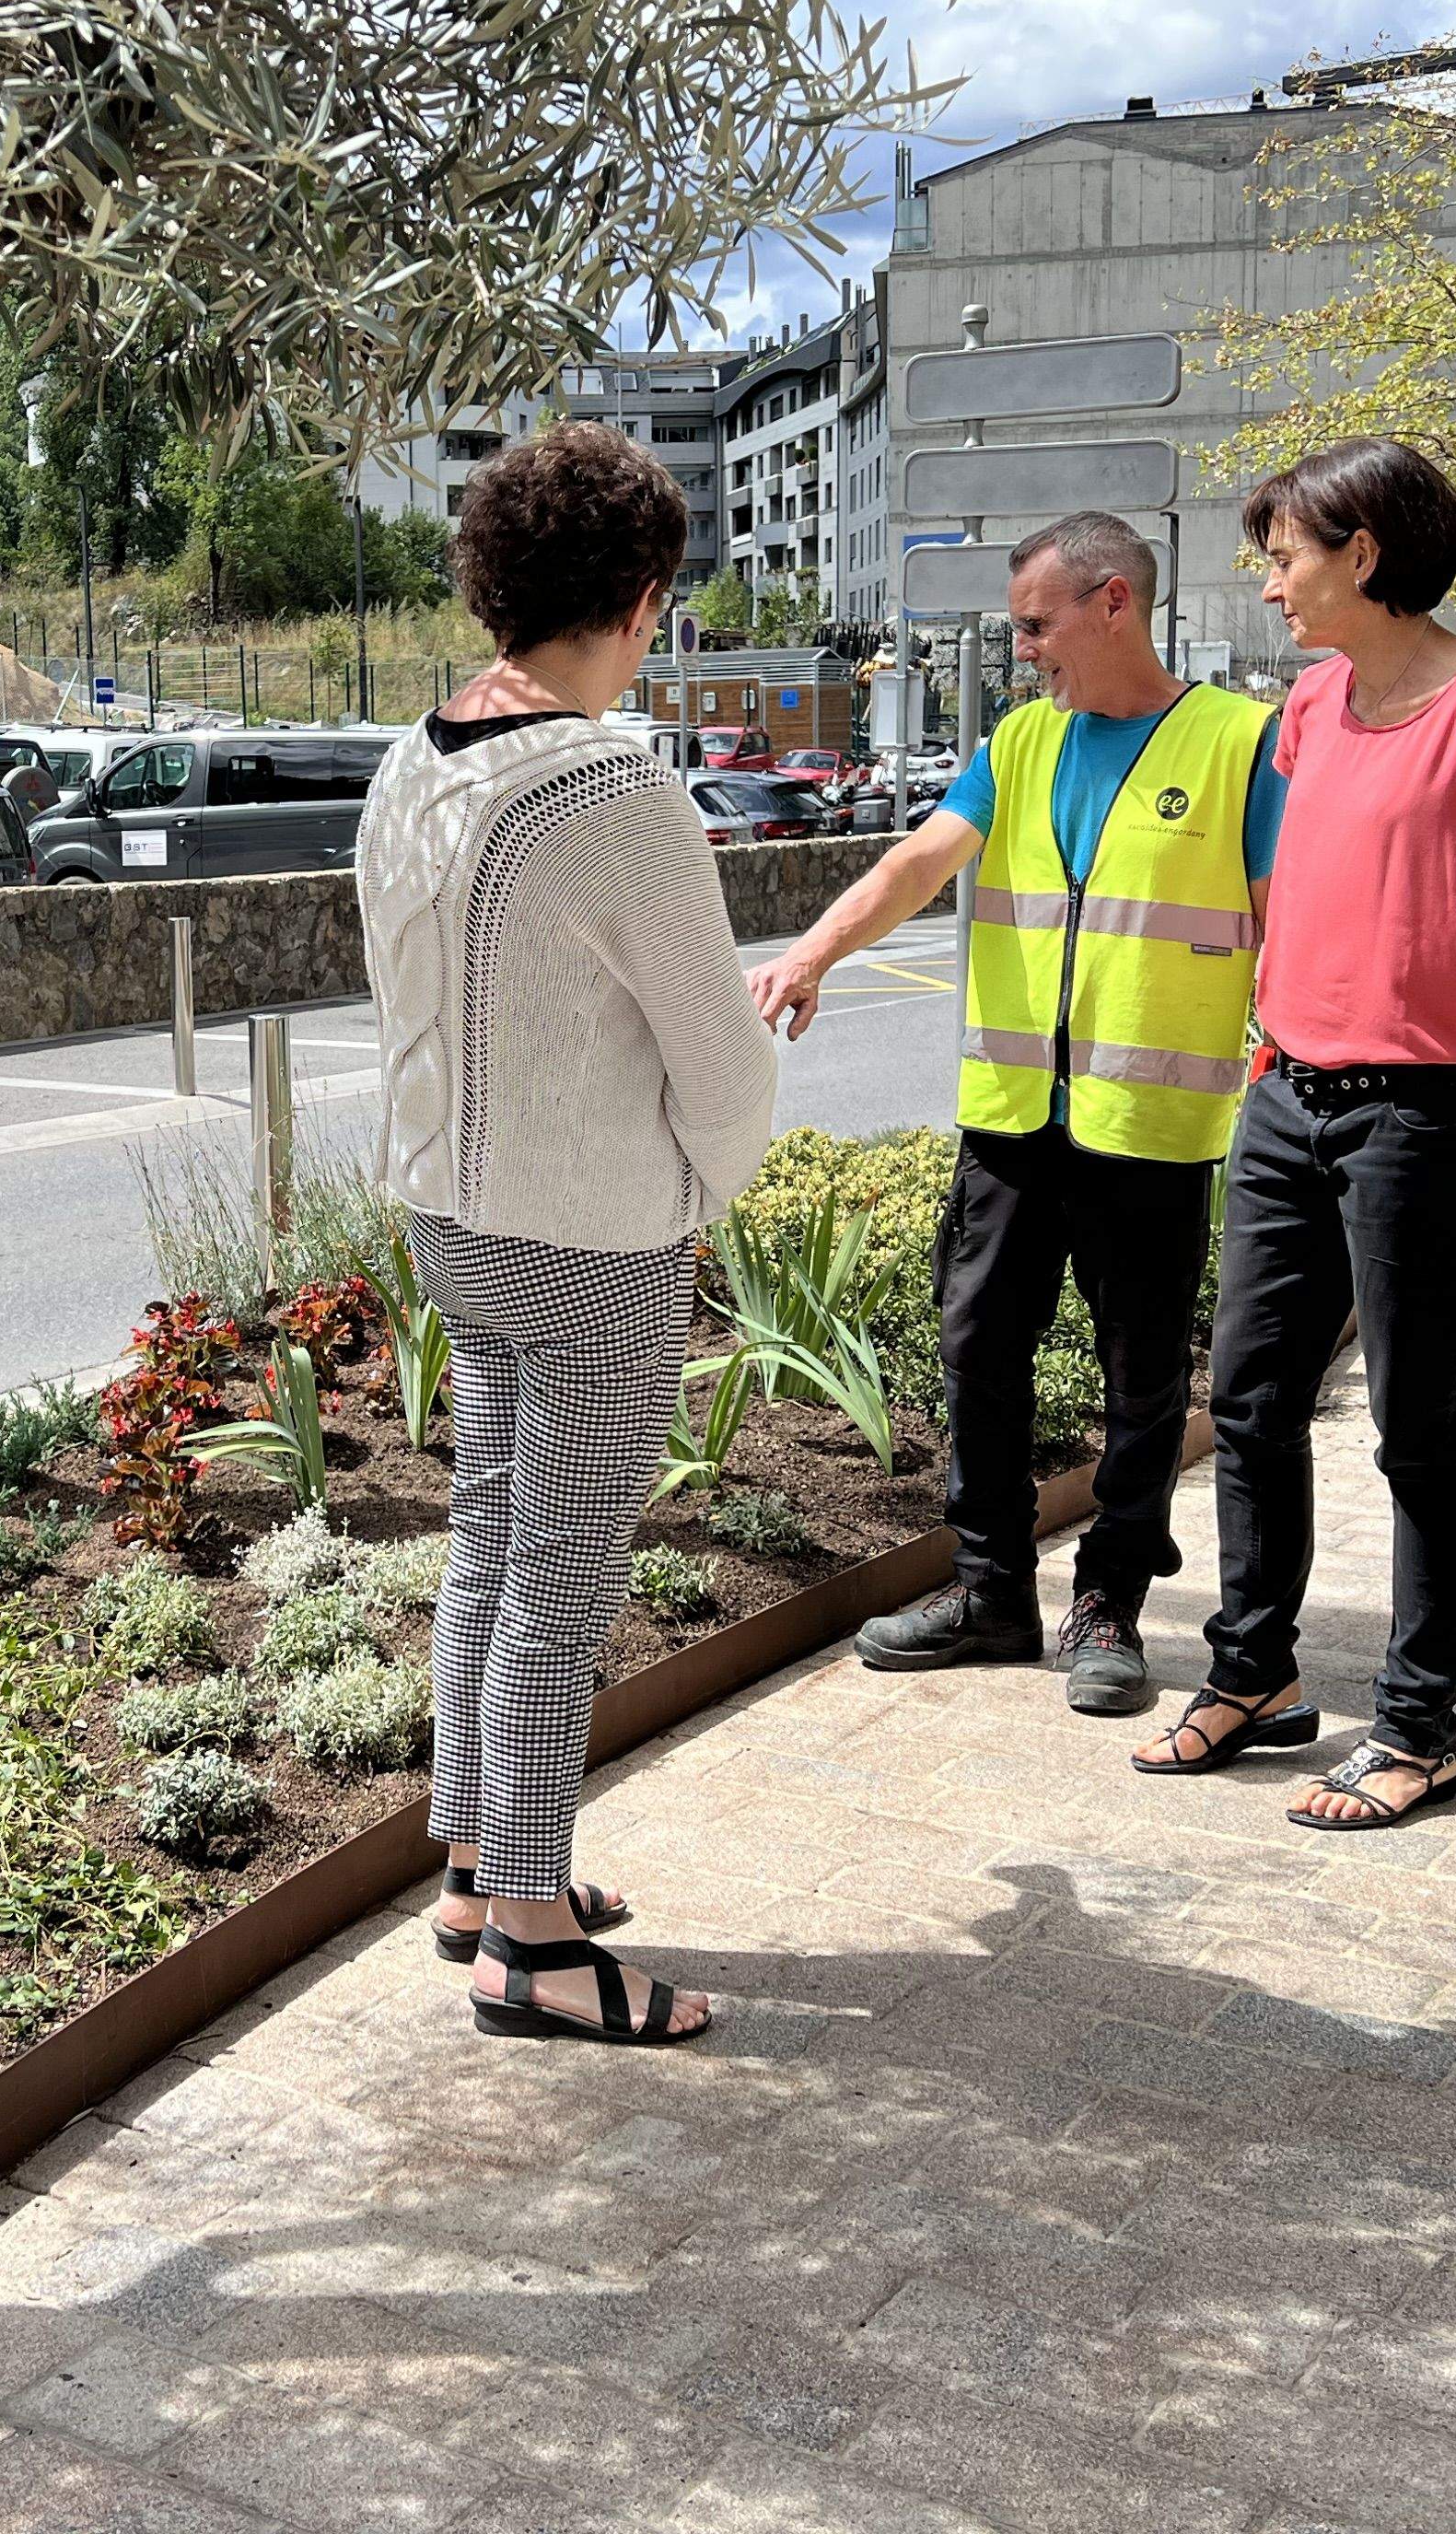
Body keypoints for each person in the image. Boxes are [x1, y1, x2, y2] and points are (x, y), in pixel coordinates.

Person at [358, 420, 777, 2046]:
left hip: (449, 1213)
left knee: (486, 1531)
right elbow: (719, 1059)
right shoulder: (611, 787)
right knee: (561, 1571)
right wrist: (703, 1188)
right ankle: (529, 1936)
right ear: (643, 596)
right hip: (593, 1232)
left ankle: (472, 1858)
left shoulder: (413, 755)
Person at [1136, 438, 1456, 1831]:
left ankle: (1418, 1727)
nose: (1271, 581)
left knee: (1420, 1426)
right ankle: (1257, 1679)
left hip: (1435, 1110)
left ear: (1366, 555)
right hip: (1288, 1093)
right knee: (1251, 1401)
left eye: (1287, 554)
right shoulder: (1312, 705)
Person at [747, 514, 1283, 1716]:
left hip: (1150, 1126)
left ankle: (1110, 1599)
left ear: (1112, 604)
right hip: (1012, 1118)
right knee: (977, 1347)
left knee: (1143, 1379)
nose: (1025, 646)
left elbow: (1282, 915)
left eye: (1038, 623)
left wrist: (1299, 1063)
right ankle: (993, 1591)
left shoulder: (1242, 744)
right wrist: (814, 953)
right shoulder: (1021, 741)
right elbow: (917, 864)